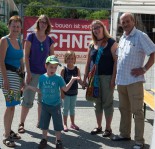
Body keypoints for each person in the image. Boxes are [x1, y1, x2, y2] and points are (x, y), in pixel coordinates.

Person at [112, 13, 155, 149]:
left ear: (133, 21)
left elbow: (153, 52)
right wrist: (114, 78)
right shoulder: (123, 37)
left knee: (137, 111)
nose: (125, 24)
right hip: (122, 80)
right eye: (123, 22)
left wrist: (144, 69)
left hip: (134, 81)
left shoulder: (141, 36)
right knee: (124, 109)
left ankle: (139, 141)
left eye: (127, 21)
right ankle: (124, 134)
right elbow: (119, 59)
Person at [23, 55, 80, 149]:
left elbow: (65, 89)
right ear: (46, 66)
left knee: (58, 125)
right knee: (44, 125)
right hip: (45, 105)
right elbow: (40, 90)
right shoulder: (42, 78)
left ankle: (58, 141)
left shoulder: (58, 78)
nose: (53, 69)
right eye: (51, 67)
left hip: (56, 106)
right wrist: (29, 87)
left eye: (55, 67)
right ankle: (44, 139)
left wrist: (72, 79)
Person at [18, 14, 54, 134]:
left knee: (42, 101)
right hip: (32, 73)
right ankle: (21, 123)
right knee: (27, 100)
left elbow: (51, 59)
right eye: (41, 22)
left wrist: (52, 74)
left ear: (47, 25)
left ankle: (40, 122)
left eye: (45, 22)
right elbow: (26, 56)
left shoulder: (49, 40)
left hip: (45, 75)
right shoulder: (31, 37)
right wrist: (28, 72)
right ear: (38, 23)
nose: (43, 24)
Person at [83, 20, 117, 137]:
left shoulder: (112, 43)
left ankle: (108, 128)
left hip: (107, 77)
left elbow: (116, 62)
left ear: (103, 28)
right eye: (93, 28)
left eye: (98, 27)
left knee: (107, 103)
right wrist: (85, 78)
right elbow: (88, 63)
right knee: (97, 103)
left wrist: (113, 79)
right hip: (94, 79)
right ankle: (99, 127)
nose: (96, 30)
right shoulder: (91, 44)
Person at [0, 16, 24, 147]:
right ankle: (6, 135)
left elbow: (21, 62)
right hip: (7, 76)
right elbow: (1, 62)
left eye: (18, 26)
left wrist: (22, 79)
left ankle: (9, 130)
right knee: (10, 105)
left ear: (20, 28)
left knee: (13, 105)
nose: (15, 29)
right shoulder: (4, 41)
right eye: (13, 26)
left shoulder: (19, 42)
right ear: (9, 26)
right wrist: (5, 79)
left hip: (16, 77)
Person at [61, 50, 84, 132]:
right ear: (65, 59)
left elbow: (79, 80)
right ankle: (64, 124)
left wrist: (84, 84)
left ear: (74, 59)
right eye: (68, 58)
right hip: (66, 94)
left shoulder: (77, 69)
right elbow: (61, 84)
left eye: (72, 58)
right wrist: (62, 93)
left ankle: (72, 123)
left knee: (72, 108)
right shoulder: (63, 70)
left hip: (74, 93)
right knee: (65, 109)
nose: (70, 60)